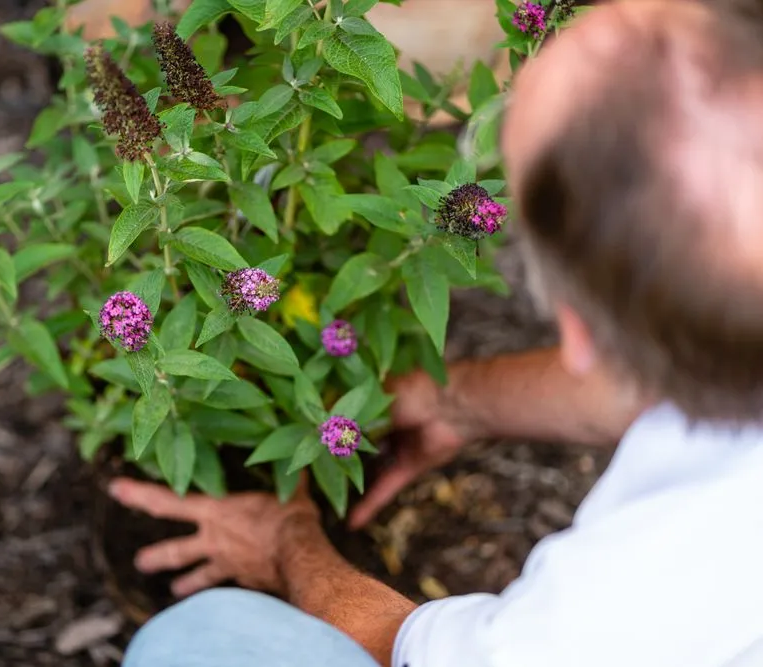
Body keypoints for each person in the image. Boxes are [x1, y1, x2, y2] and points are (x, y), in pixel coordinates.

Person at [110, 0, 763, 664]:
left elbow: (414, 651)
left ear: (582, 335)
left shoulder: (626, 601)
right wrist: (454, 400)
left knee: (191, 642)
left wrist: (285, 543)